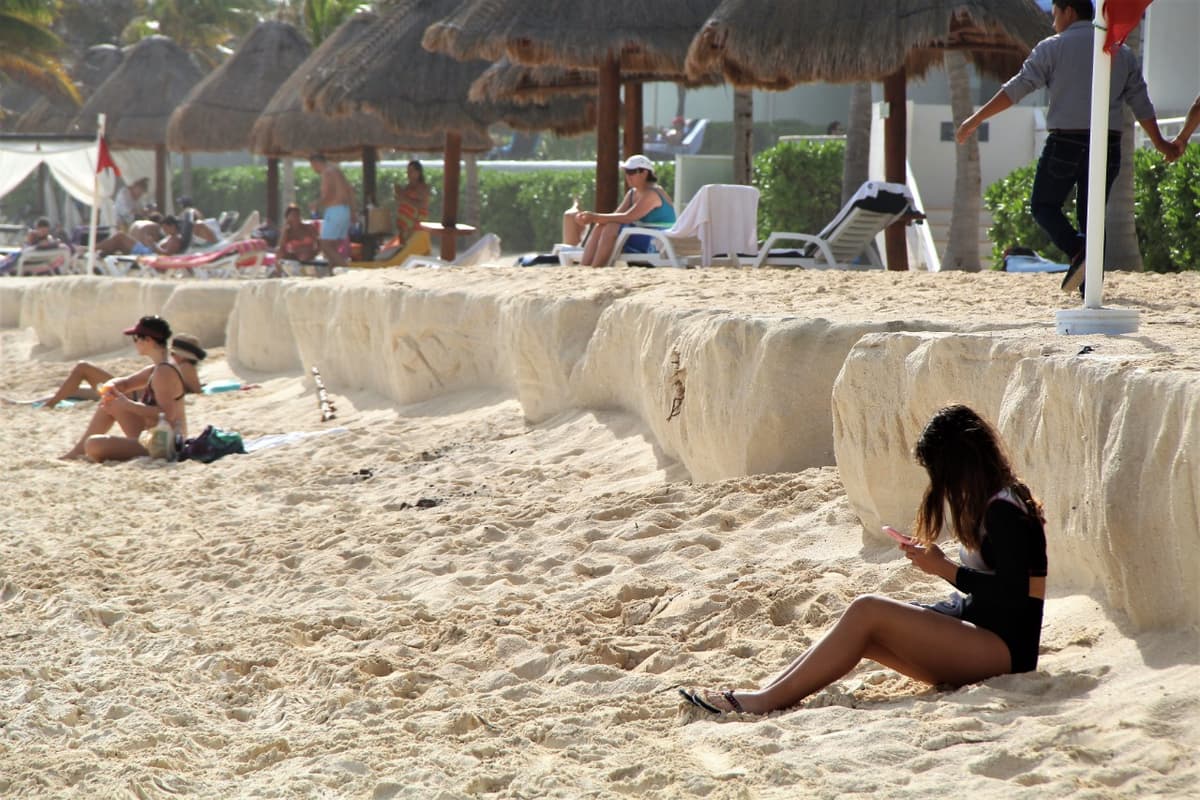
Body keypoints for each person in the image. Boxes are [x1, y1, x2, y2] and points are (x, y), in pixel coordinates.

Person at [680, 404, 1048, 716]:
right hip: (985, 634)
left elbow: (1015, 596)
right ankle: (764, 694)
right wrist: (938, 593)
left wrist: (945, 569)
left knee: (867, 609)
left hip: (1006, 650)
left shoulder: (1004, 510)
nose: (940, 484)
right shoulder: (995, 501)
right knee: (865, 635)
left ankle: (761, 701)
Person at [955, 0, 1177, 294]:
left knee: (1043, 205)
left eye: (1055, 14)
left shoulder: (1053, 47)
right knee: (1091, 217)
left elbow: (1018, 87)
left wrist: (976, 119)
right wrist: (1161, 143)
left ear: (1069, 11)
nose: (1053, 22)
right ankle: (1089, 288)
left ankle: (1077, 250)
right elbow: (1141, 102)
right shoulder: (1120, 51)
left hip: (1066, 142)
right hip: (1108, 144)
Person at [61, 316, 189, 462]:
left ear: (148, 340)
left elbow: (167, 414)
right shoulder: (158, 368)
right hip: (155, 435)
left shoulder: (164, 372)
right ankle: (77, 452)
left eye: (136, 338)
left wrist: (128, 405)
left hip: (164, 444)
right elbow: (127, 383)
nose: (135, 343)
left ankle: (79, 452)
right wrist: (111, 386)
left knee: (93, 444)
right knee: (110, 403)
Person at [570, 154, 676, 267]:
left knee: (611, 226)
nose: (628, 176)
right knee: (601, 226)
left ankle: (596, 267)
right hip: (647, 234)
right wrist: (592, 218)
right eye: (626, 172)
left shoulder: (652, 193)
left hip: (661, 241)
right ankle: (585, 267)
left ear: (644, 173)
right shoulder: (632, 193)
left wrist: (594, 217)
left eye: (632, 172)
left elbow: (628, 217)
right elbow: (616, 216)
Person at [309, 153, 355, 270]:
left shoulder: (327, 172)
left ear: (315, 163)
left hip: (335, 211)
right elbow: (350, 191)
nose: (313, 169)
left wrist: (316, 204)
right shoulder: (337, 171)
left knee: (325, 245)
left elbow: (329, 195)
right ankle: (332, 273)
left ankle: (347, 270)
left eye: (312, 166)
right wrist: (353, 212)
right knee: (333, 248)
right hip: (345, 210)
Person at [95, 214, 184, 257]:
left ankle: (93, 248)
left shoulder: (175, 239)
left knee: (120, 236)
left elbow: (167, 254)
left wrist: (153, 244)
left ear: (172, 226)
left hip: (148, 254)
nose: (164, 231)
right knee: (118, 242)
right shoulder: (172, 237)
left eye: (165, 228)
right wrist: (152, 244)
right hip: (148, 252)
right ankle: (98, 254)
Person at [392, 160, 431, 250]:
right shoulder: (407, 187)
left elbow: (422, 205)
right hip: (404, 228)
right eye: (408, 171)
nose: (408, 173)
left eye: (411, 171)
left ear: (418, 172)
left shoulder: (423, 187)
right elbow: (402, 202)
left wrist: (403, 196)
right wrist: (398, 194)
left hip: (416, 227)